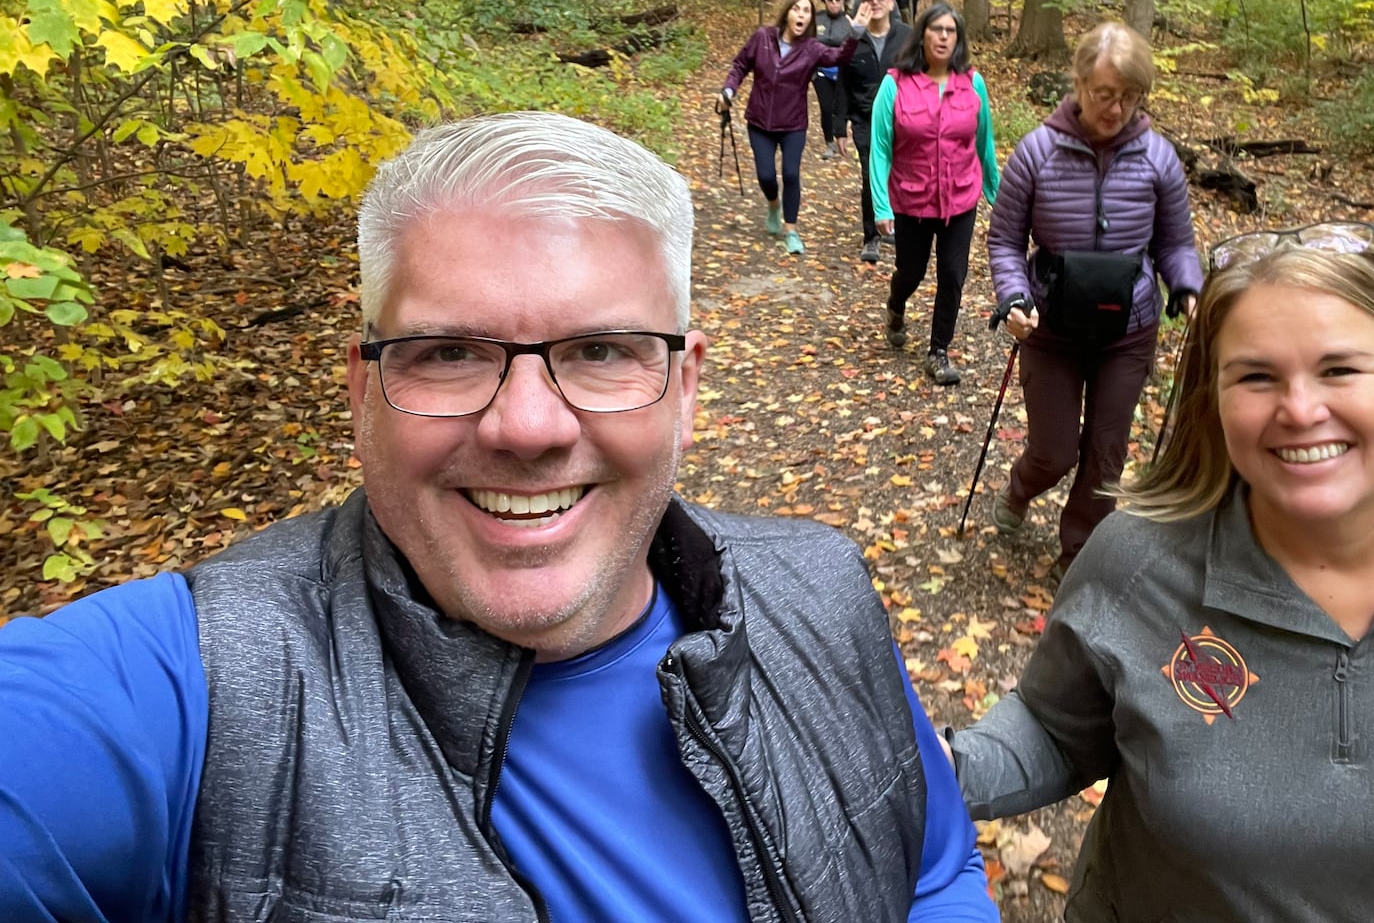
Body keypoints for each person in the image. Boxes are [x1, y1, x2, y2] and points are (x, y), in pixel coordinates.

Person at [0, 113, 1002, 923]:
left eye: (603, 350)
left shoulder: (820, 590)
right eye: (447, 354)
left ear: (686, 385)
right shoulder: (201, 694)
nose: (527, 425)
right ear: (361, 390)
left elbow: (928, 868)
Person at [950, 222, 1374, 920]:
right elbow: (1055, 730)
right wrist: (918, 769)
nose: (1299, 409)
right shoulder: (1139, 561)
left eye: (1340, 369)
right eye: (1256, 376)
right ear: (1217, 402)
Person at [988, 20, 1201, 578]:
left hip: (1127, 330)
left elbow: (1176, 243)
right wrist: (1013, 296)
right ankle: (1020, 488)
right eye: (1106, 94)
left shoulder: (1159, 158)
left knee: (1106, 453)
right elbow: (1005, 240)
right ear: (1079, 85)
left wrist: (1188, 288)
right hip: (1050, 327)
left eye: (1130, 96)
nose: (1117, 107)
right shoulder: (1036, 152)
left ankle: (1077, 556)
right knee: (1054, 452)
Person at [870, 4, 999, 387]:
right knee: (911, 271)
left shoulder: (972, 83)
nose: (943, 36)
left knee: (953, 275)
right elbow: (880, 147)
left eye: (950, 31)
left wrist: (997, 195)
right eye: (936, 29)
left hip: (961, 197)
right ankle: (896, 306)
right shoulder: (895, 84)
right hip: (913, 199)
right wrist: (881, 203)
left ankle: (938, 350)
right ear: (922, 35)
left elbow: (984, 143)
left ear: (958, 39)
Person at [721, 0, 868, 255]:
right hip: (759, 120)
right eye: (797, 9)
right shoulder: (763, 38)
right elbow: (740, 65)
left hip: (793, 124)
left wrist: (855, 32)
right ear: (787, 13)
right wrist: (728, 92)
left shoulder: (812, 48)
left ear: (811, 19)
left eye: (806, 11)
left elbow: (838, 57)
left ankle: (790, 229)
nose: (801, 15)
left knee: (790, 174)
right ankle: (774, 204)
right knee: (766, 176)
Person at [842, 0, 910, 264]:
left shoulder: (907, 35)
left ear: (890, 1)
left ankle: (892, 223)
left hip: (904, 118)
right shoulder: (853, 39)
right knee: (871, 175)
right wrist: (838, 125)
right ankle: (871, 236)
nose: (874, 2)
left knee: (900, 173)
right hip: (865, 117)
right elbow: (841, 81)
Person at [812, 0, 853, 161]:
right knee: (826, 106)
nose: (834, 3)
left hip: (844, 71)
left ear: (844, 0)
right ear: (824, 1)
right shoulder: (816, 19)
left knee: (842, 107)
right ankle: (829, 143)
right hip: (821, 71)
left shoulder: (851, 20)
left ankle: (843, 137)